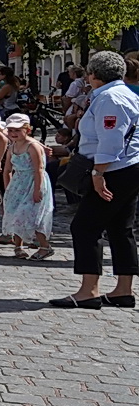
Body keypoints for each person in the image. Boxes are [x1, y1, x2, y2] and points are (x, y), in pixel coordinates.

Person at [52, 50, 139, 309]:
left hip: (113, 168)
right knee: (120, 228)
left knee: (85, 227)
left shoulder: (110, 98)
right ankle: (123, 290)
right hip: (127, 166)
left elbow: (111, 140)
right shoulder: (123, 94)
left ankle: (88, 290)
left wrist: (98, 173)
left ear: (93, 75)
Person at [0, 114, 54, 259]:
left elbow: (39, 169)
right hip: (18, 182)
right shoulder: (12, 146)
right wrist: (8, 188)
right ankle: (18, 246)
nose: (13, 134)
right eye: (10, 130)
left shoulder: (33, 146)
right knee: (15, 212)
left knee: (33, 214)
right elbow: (7, 169)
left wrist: (38, 189)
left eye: (17, 130)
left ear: (27, 130)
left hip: (33, 181)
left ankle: (44, 246)